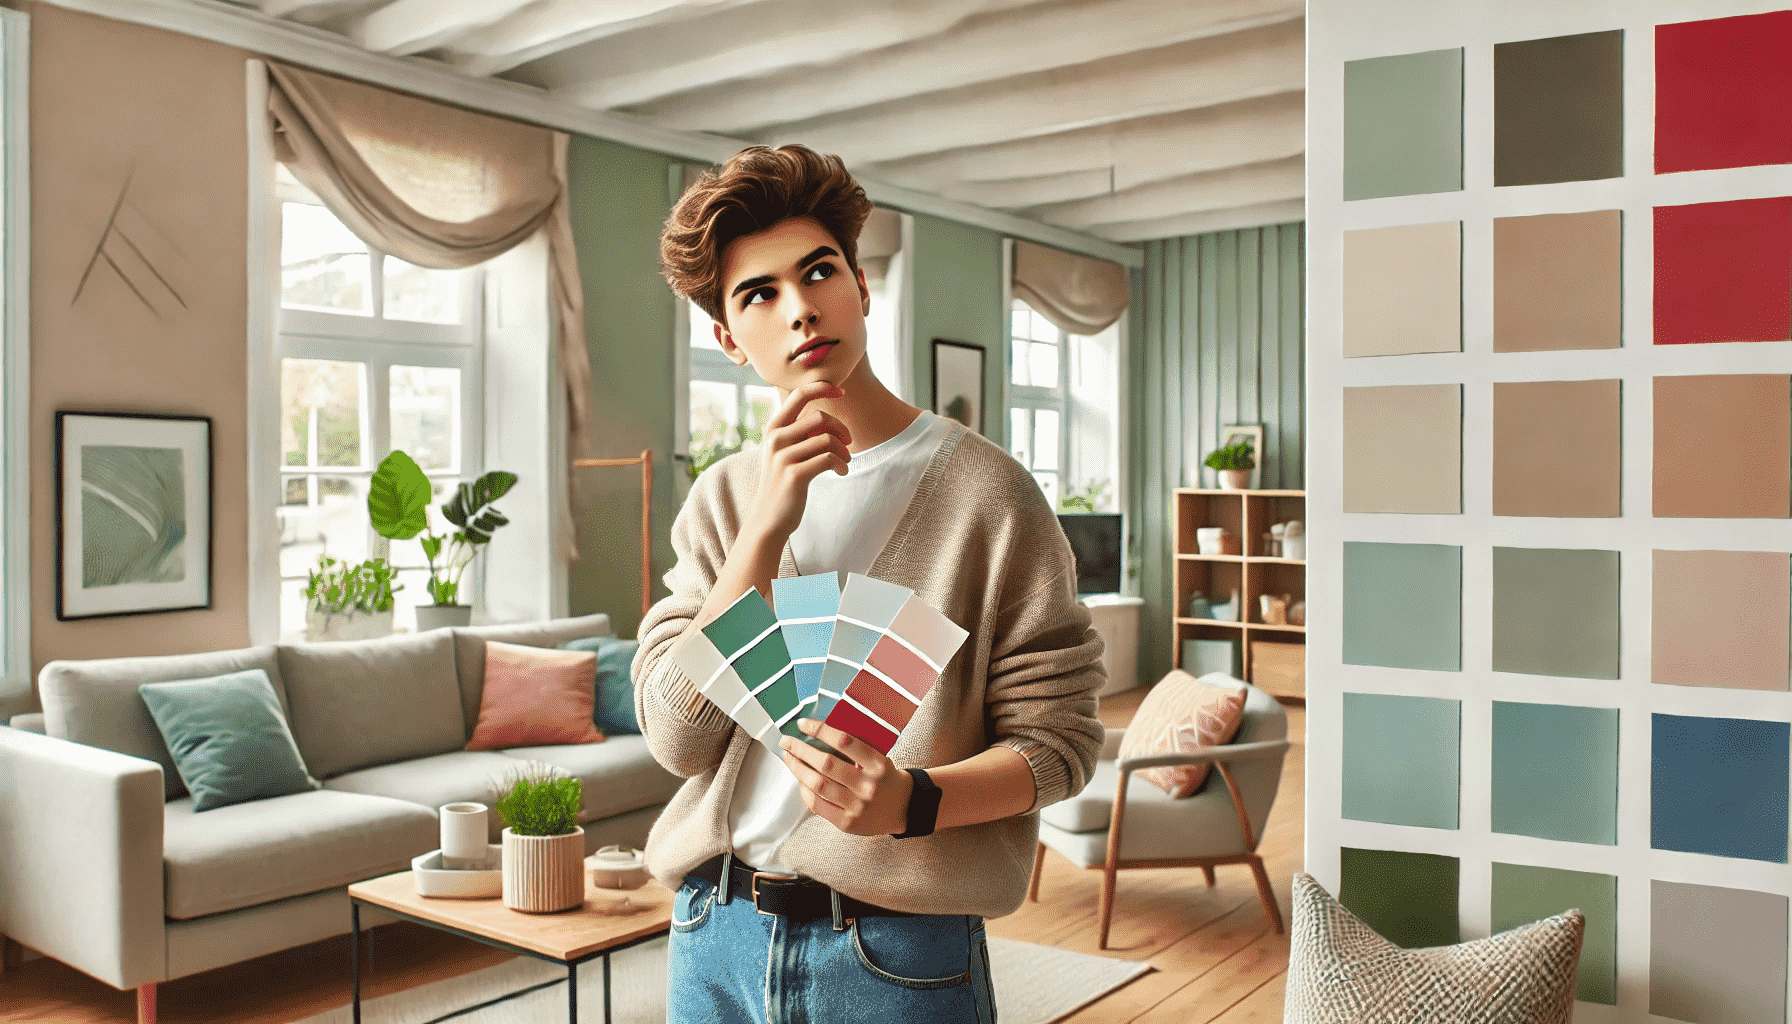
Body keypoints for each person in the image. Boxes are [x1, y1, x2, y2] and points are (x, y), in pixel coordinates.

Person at [633, 143, 1106, 1024]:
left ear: (858, 282)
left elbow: (1061, 742)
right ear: (730, 340)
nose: (801, 309)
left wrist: (912, 801)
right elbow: (677, 739)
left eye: (819, 273)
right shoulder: (723, 501)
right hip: (713, 932)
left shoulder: (989, 497)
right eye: (760, 293)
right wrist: (764, 529)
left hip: (897, 953)